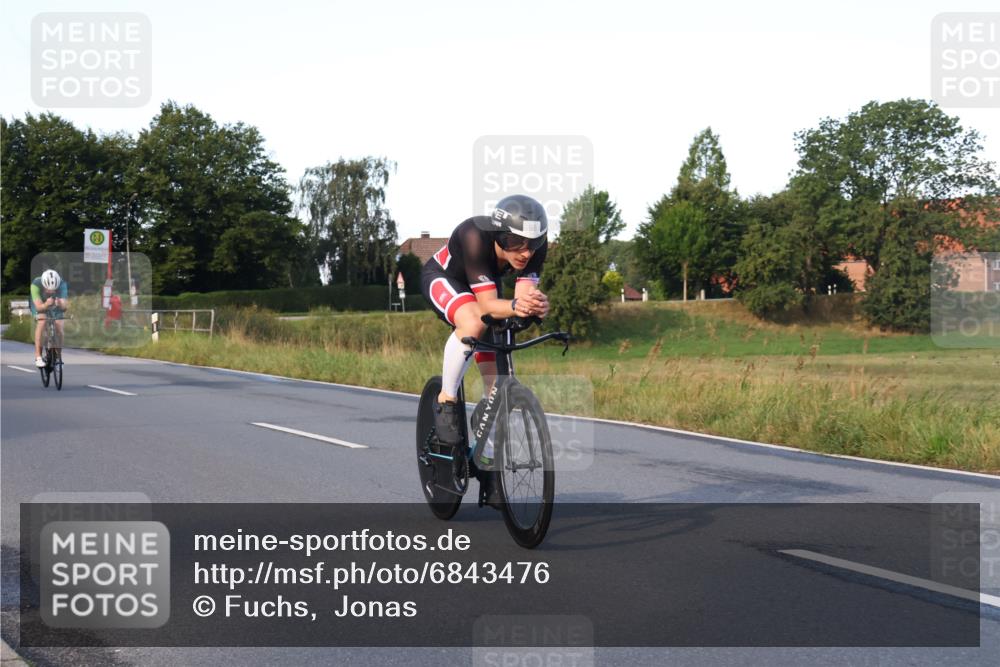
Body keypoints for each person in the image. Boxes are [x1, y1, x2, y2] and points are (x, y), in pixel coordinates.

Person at [420, 194, 551, 506]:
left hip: (486, 287)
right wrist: (517, 305)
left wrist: (536, 305)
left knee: (497, 388)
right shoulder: (475, 236)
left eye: (532, 244)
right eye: (516, 242)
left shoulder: (535, 247)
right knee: (474, 322)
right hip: (445, 279)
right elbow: (488, 305)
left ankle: (489, 473)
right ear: (499, 235)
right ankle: (447, 400)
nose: (525, 252)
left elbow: (522, 297)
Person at [30, 269, 69, 367]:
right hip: (40, 303)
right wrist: (46, 304)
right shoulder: (36, 285)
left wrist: (60, 303)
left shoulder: (62, 284)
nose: (51, 292)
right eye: (48, 289)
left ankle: (58, 357)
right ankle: (38, 356)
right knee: (42, 321)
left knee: (59, 327)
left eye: (54, 290)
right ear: (43, 285)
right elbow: (39, 307)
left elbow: (64, 307)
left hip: (55, 304)